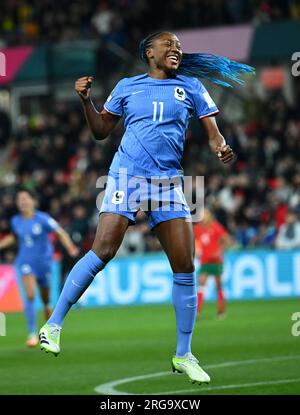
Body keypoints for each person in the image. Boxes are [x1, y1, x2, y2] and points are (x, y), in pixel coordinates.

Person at [39, 31, 254, 384]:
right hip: (127, 176)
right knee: (103, 250)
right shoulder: (127, 86)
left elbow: (213, 133)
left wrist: (222, 147)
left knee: (185, 265)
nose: (176, 49)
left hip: (169, 183)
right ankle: (53, 324)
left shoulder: (192, 87)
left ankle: (184, 354)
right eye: (168, 45)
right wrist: (85, 101)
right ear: (149, 53)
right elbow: (100, 131)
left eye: (179, 46)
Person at [0, 188, 78, 347]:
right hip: (25, 261)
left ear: (33, 201)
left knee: (45, 297)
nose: (22, 202)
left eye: (25, 198)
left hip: (44, 263)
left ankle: (47, 308)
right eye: (19, 199)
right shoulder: (16, 221)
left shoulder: (43, 219)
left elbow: (60, 232)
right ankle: (31, 333)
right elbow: (14, 237)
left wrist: (70, 247)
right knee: (29, 295)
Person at [194, 208, 233, 319]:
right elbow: (194, 242)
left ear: (209, 216)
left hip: (216, 261)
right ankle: (197, 311)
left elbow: (226, 239)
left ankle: (221, 310)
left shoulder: (215, 226)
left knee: (219, 285)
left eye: (205, 214)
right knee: (201, 283)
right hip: (205, 261)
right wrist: (196, 250)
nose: (202, 216)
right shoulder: (197, 229)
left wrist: (220, 251)